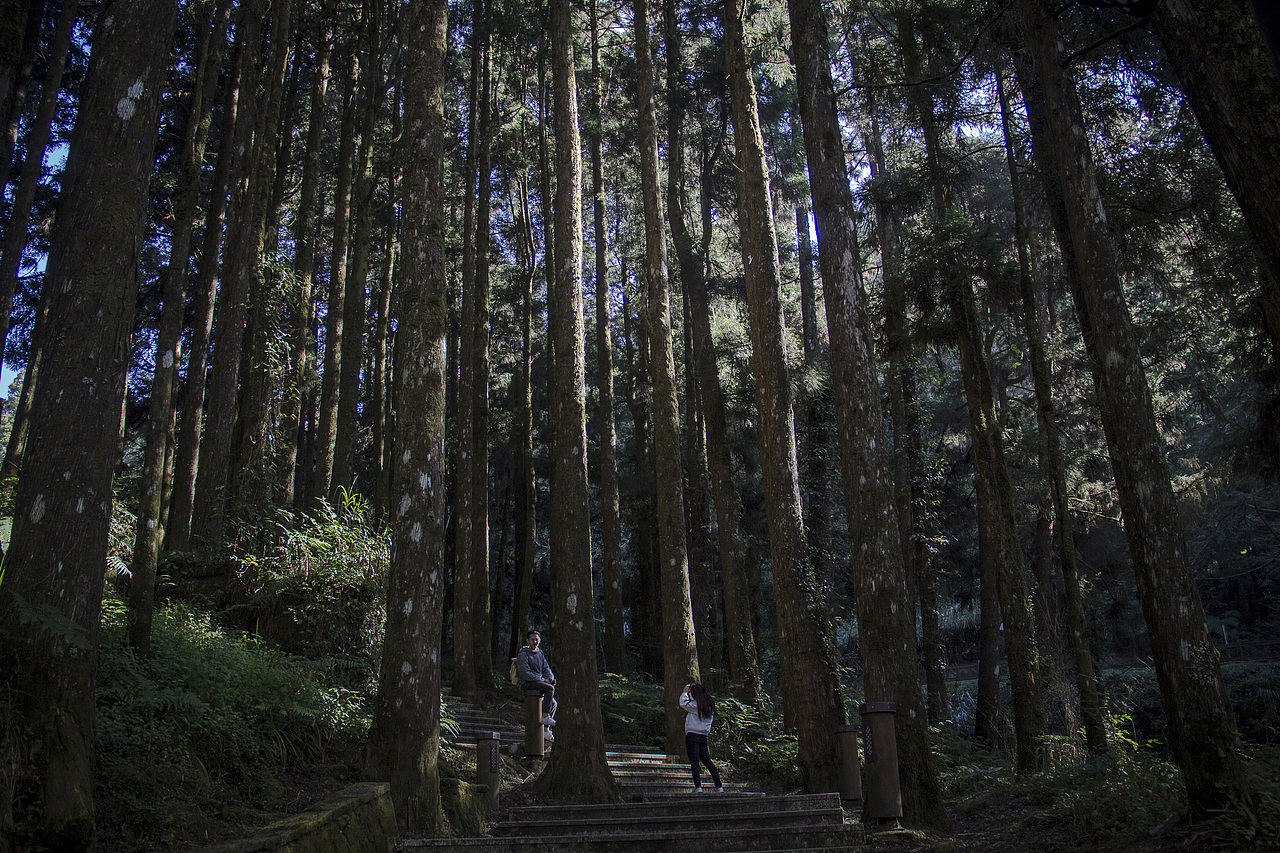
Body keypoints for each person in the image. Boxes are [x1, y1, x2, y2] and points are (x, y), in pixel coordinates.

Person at [679, 682, 723, 793]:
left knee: (694, 761)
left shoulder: (695, 706)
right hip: (703, 736)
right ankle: (719, 786)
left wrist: (685, 693)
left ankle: (698, 787)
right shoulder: (709, 706)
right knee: (707, 761)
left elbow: (683, 703)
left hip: (693, 735)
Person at [516, 629, 557, 741]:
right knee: (549, 688)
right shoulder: (523, 654)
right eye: (532, 639)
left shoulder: (540, 653)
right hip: (526, 683)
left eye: (537, 639)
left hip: (538, 682)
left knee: (553, 703)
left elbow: (545, 668)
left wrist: (550, 677)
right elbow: (525, 673)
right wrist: (543, 680)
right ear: (527, 640)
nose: (535, 642)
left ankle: (545, 730)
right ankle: (545, 716)